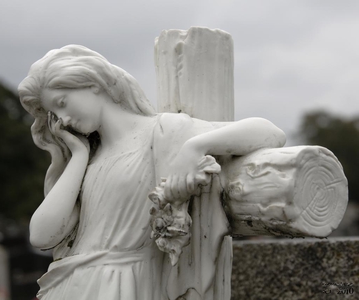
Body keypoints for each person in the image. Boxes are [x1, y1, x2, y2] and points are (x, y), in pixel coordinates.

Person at [18, 45, 286, 300]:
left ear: (92, 83)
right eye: (54, 113)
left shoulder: (163, 132)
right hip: (73, 287)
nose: (62, 119)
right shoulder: (87, 159)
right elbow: (42, 235)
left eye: (62, 102)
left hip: (127, 285)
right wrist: (78, 155)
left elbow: (270, 133)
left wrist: (196, 146)